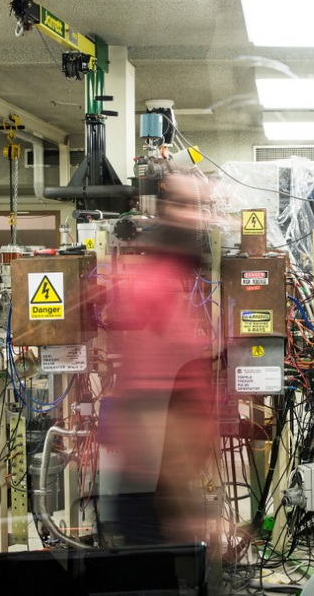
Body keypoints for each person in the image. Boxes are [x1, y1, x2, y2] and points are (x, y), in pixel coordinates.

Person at [97, 170, 218, 546]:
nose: (196, 217)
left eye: (202, 207)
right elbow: (149, 412)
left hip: (168, 493)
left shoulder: (175, 284)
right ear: (164, 213)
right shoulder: (153, 289)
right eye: (185, 206)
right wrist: (185, 513)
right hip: (154, 497)